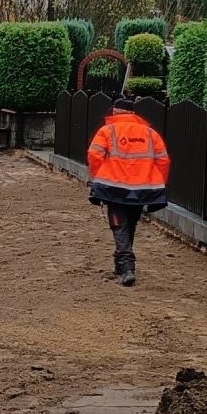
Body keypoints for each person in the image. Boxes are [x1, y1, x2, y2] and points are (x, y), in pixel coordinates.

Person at [87, 99, 171, 286]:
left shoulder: (107, 131)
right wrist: (157, 183)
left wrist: (98, 178)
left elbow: (94, 156)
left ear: (115, 112)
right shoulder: (150, 134)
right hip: (142, 189)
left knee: (119, 225)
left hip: (114, 186)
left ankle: (127, 266)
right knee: (130, 223)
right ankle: (120, 262)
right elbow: (163, 160)